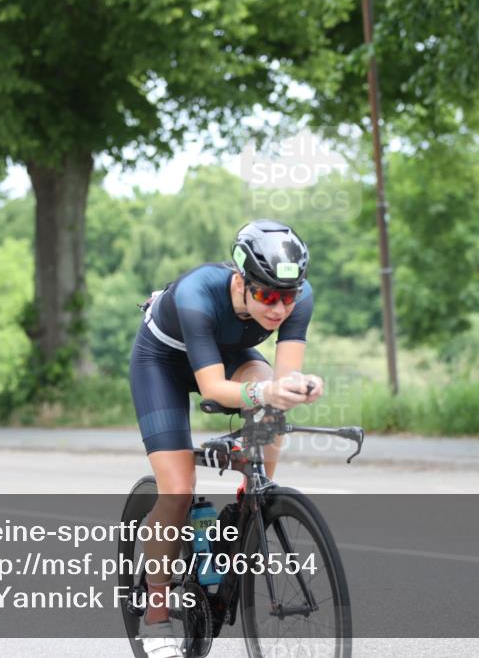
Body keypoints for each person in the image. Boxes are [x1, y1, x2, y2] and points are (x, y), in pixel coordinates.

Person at [129, 219, 324, 657]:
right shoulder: (197, 294)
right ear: (241, 281)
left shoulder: (299, 300)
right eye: (266, 296)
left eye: (287, 297)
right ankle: (156, 615)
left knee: (274, 402)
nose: (278, 309)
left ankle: (248, 506)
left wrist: (298, 388)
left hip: (231, 357)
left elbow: (283, 381)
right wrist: (264, 391)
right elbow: (215, 389)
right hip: (162, 363)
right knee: (177, 491)